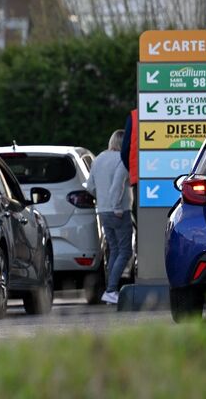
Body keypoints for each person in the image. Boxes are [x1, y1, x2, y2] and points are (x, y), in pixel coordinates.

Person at [88, 128, 133, 305]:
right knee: (125, 251)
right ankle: (111, 289)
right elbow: (117, 186)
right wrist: (116, 206)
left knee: (113, 250)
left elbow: (90, 186)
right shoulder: (122, 160)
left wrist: (102, 199)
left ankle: (110, 291)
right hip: (119, 210)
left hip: (103, 210)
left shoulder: (98, 159)